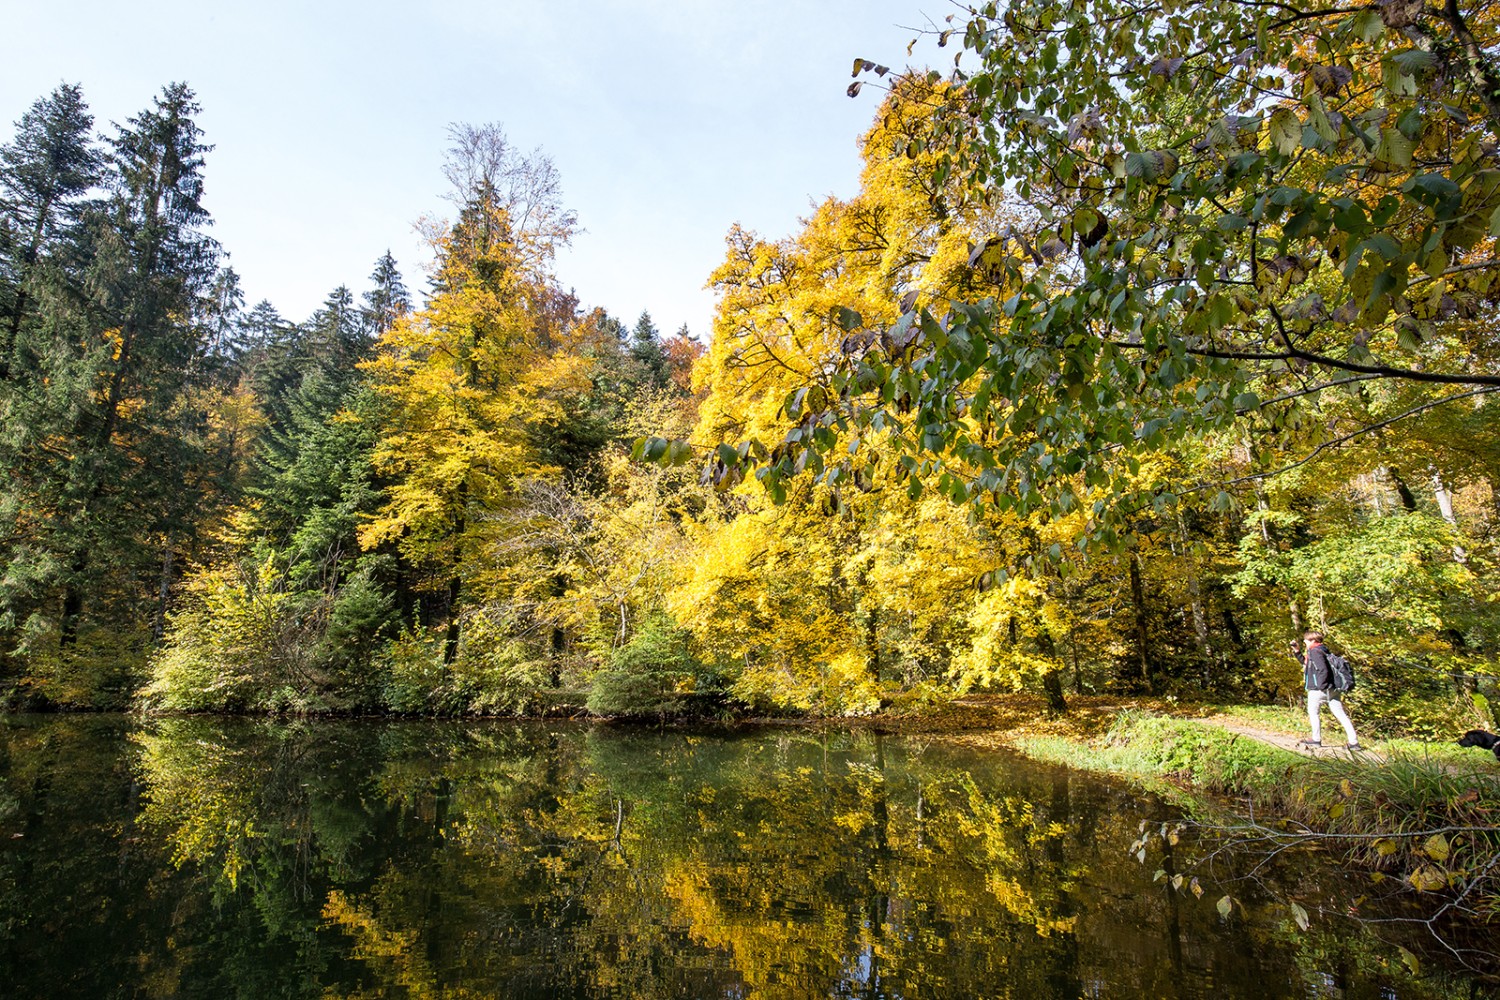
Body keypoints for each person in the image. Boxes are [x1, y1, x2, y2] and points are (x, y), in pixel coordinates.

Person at [1293, 631, 1359, 750]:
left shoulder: (1314, 651)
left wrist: (1321, 686)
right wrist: (1297, 651)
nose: (1304, 641)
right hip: (1333, 689)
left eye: (1306, 640)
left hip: (1319, 689)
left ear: (1313, 641)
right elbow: (1307, 664)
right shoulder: (1323, 650)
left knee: (1313, 712)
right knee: (1341, 714)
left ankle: (1316, 739)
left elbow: (1323, 670)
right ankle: (1354, 742)